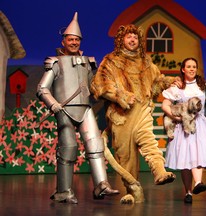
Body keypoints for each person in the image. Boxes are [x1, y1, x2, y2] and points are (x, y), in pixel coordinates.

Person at [90, 24, 181, 204]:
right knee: (126, 157)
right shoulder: (111, 61)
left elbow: (157, 82)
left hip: (142, 111)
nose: (132, 40)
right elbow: (99, 85)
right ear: (121, 40)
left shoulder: (146, 63)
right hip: (121, 116)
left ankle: (159, 171)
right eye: (128, 37)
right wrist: (121, 95)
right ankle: (133, 192)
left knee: (149, 141)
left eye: (135, 37)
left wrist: (169, 81)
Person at [36, 12, 119, 204]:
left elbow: (93, 85)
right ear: (64, 41)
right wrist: (53, 103)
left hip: (85, 108)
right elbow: (42, 88)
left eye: (77, 40)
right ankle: (63, 191)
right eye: (70, 39)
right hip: (64, 110)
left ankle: (101, 184)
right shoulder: (55, 63)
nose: (74, 42)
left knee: (95, 145)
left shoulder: (88, 63)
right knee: (69, 148)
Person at [161, 57, 206, 204]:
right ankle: (188, 192)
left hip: (199, 125)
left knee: (198, 155)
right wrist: (177, 118)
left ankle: (198, 182)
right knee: (185, 159)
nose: (192, 69)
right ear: (183, 69)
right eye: (189, 67)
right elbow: (165, 105)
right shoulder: (178, 87)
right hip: (183, 126)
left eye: (194, 67)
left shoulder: (202, 86)